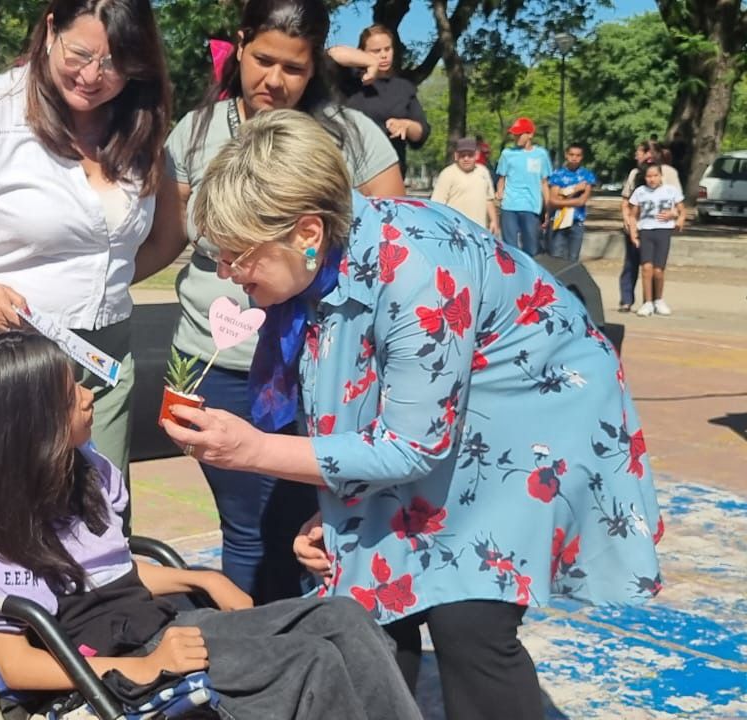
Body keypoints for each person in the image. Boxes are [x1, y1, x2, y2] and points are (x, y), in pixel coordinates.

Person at [164, 111, 663, 720]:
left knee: (471, 617)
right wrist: (344, 512)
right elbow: (354, 415)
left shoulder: (417, 270)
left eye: (238, 255)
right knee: (368, 599)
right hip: (441, 419)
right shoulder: (324, 271)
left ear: (307, 231)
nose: (226, 275)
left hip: (531, 415)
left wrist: (254, 451)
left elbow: (410, 448)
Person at [0, 1, 179, 714]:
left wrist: (101, 286)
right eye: (79, 55)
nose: (94, 76)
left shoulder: (142, 122)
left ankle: (91, 682)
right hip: (1, 360)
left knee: (92, 523)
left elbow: (166, 235)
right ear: (50, 28)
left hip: (102, 354)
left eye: (115, 64)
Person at [0, 331, 423, 720]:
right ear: (31, 425)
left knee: (343, 617)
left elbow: (114, 570)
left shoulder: (88, 469)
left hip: (163, 627)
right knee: (310, 663)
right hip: (106, 666)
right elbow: (16, 664)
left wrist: (201, 577)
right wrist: (144, 666)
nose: (89, 397)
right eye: (71, 395)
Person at [164, 0, 403, 605]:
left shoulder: (353, 135)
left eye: (293, 68)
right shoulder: (196, 132)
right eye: (263, 60)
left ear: (315, 65)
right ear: (240, 45)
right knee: (247, 532)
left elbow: (395, 245)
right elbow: (166, 238)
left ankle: (318, 659)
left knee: (318, 531)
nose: (274, 80)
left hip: (324, 368)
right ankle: (254, 665)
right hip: (217, 364)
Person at [340, 23, 430, 176]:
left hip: (391, 172)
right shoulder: (348, 80)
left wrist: (407, 125)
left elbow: (422, 132)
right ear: (361, 52)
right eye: (376, 51)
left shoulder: (403, 88)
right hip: (351, 170)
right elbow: (331, 54)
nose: (383, 55)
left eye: (387, 49)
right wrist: (370, 64)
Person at [618, 141, 680, 312]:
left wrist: (674, 215)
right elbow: (626, 200)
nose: (639, 156)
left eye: (642, 152)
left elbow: (676, 202)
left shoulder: (670, 174)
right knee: (632, 264)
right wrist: (628, 222)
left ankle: (653, 300)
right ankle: (627, 300)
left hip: (659, 226)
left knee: (655, 267)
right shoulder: (635, 173)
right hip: (639, 225)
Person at [626, 163, 685, 317]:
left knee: (658, 270)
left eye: (655, 176)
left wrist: (677, 218)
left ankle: (659, 299)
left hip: (663, 231)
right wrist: (633, 234)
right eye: (649, 176)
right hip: (646, 231)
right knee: (646, 268)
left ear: (661, 176)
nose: (652, 179)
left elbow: (682, 210)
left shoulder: (670, 191)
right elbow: (633, 215)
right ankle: (647, 302)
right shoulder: (640, 192)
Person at [495, 116, 552, 256]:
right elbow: (501, 178)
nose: (516, 138)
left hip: (531, 206)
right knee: (509, 248)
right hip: (509, 206)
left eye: (520, 134)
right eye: (515, 135)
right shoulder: (507, 154)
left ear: (530, 134)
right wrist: (499, 192)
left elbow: (544, 183)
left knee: (531, 247)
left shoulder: (541, 154)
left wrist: (548, 208)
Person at [430, 136, 498, 235]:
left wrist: (494, 221)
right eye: (462, 155)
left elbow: (489, 199)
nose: (466, 159)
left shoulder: (483, 172)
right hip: (455, 231)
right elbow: (437, 205)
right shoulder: (447, 174)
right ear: (456, 156)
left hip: (480, 230)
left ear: (477, 155)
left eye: (470, 155)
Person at [545, 143, 596, 262]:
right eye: (571, 154)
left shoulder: (587, 175)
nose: (574, 158)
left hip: (576, 221)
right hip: (559, 220)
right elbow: (553, 200)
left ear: (582, 157)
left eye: (578, 155)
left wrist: (562, 195)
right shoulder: (557, 174)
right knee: (556, 257)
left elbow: (582, 201)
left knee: (573, 258)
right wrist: (575, 190)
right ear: (566, 155)